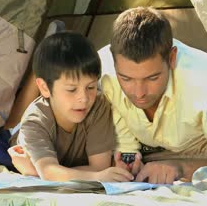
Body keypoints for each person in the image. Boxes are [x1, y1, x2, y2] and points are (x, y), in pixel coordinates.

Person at [98, 7, 207, 184]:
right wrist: (127, 161)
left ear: (172, 58)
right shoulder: (101, 74)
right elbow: (123, 138)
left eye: (152, 77)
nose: (139, 93)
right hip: (150, 155)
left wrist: (182, 168)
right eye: (126, 78)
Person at [7, 31, 133, 182]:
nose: (84, 98)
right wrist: (96, 177)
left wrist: (42, 172)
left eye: (91, 87)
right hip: (20, 138)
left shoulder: (98, 105)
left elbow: (99, 166)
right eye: (71, 90)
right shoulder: (34, 122)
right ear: (45, 87)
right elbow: (49, 172)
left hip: (52, 161)